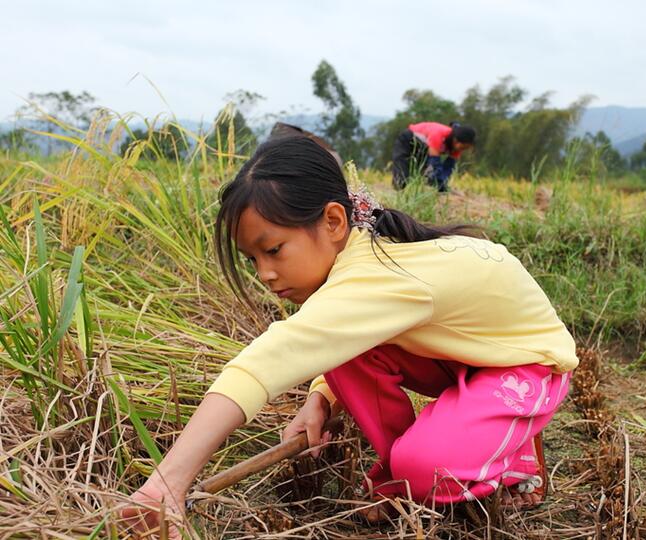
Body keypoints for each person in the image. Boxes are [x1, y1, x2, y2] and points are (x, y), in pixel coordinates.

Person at [121, 135, 577, 536]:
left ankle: (514, 462)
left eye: (274, 250)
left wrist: (167, 484)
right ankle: (402, 474)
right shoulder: (358, 263)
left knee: (428, 471)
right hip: (461, 354)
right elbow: (342, 338)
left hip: (523, 363)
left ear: (335, 222)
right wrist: (321, 395)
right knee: (346, 360)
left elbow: (264, 363)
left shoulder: (375, 275)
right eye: (253, 260)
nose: (265, 274)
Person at [392, 121, 476, 192]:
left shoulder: (457, 148)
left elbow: (449, 167)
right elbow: (434, 163)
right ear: (455, 140)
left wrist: (441, 184)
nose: (462, 150)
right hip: (408, 139)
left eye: (466, 148)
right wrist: (437, 182)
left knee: (423, 173)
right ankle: (398, 189)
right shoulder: (438, 135)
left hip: (424, 146)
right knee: (402, 170)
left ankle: (420, 190)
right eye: (463, 147)